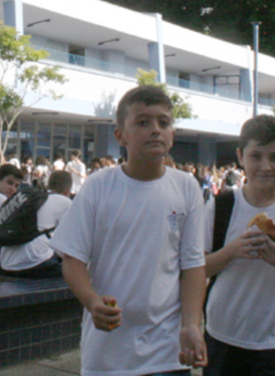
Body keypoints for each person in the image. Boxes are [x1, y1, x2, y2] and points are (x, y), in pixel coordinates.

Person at [51, 85, 208, 375]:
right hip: (108, 353)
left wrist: (192, 325)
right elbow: (72, 258)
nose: (155, 130)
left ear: (172, 133)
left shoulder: (187, 187)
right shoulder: (99, 186)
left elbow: (193, 265)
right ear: (120, 135)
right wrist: (91, 300)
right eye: (143, 122)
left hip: (168, 352)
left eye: (164, 122)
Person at [203, 115, 275, 376]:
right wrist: (232, 251)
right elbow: (197, 268)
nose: (265, 166)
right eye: (255, 156)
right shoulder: (220, 207)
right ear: (240, 156)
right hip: (222, 333)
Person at [0, 169, 73, 278]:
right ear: (67, 192)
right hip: (34, 264)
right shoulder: (65, 201)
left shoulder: (33, 197)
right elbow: (72, 240)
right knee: (75, 271)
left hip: (5, 262)